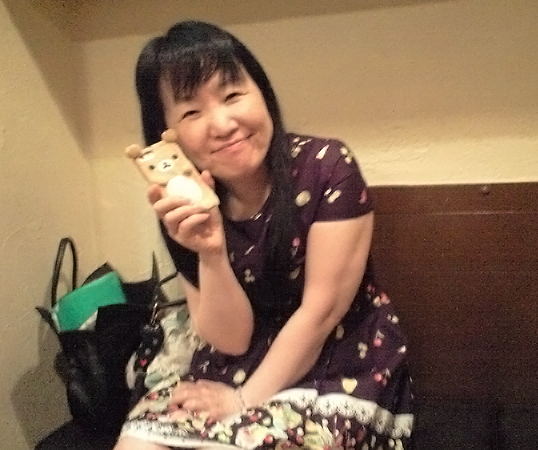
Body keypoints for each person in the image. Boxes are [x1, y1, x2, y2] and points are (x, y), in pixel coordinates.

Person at [115, 20, 413, 450]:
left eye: (233, 95)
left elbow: (321, 314)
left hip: (337, 362)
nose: (222, 124)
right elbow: (231, 339)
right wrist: (211, 253)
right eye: (191, 112)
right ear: (168, 135)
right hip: (234, 361)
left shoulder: (327, 167)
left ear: (262, 93)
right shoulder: (184, 202)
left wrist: (242, 401)